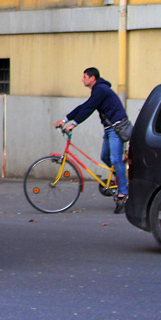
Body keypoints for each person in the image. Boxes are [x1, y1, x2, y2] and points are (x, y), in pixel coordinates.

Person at [54, 67, 130, 212]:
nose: (82, 79)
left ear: (92, 78)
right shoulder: (98, 90)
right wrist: (65, 119)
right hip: (109, 129)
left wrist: (74, 124)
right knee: (105, 157)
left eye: (84, 77)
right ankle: (119, 179)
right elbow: (85, 106)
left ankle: (123, 193)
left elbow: (88, 109)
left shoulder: (100, 89)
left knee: (115, 159)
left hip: (116, 128)